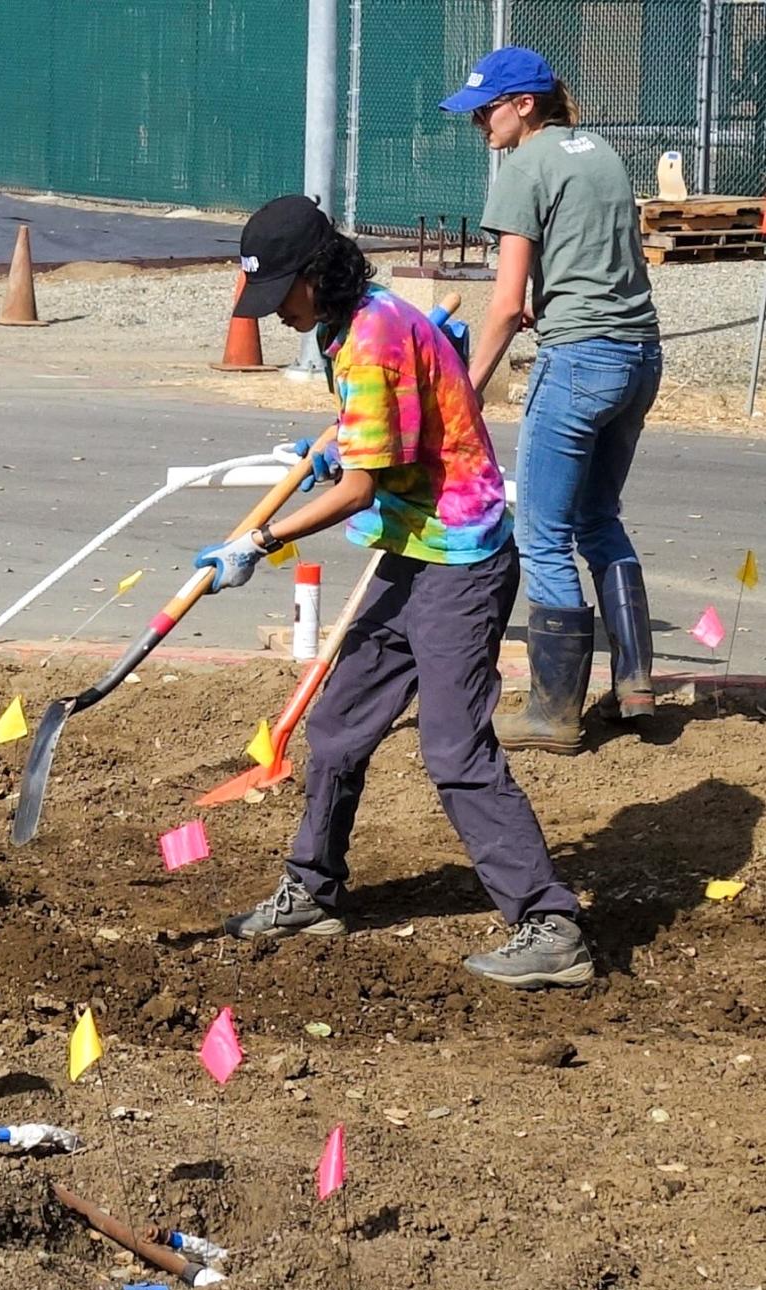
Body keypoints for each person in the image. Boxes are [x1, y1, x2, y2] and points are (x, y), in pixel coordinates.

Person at [197, 196, 590, 991]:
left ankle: (551, 924)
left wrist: (262, 541)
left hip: (459, 559)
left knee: (452, 749)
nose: (277, 315)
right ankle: (313, 888)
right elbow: (380, 431)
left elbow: (360, 488)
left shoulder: (372, 339)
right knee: (338, 727)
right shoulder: (352, 327)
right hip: (408, 551)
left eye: (284, 295)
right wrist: (331, 440)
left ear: (316, 275)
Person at [443, 46, 663, 751]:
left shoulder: (524, 167)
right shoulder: (600, 151)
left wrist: (466, 388)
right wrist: (554, 299)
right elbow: (596, 258)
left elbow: (504, 304)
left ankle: (553, 711)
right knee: (599, 517)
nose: (481, 123)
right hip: (638, 356)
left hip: (578, 363)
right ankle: (634, 684)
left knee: (541, 535)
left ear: (525, 105)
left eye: (487, 109)